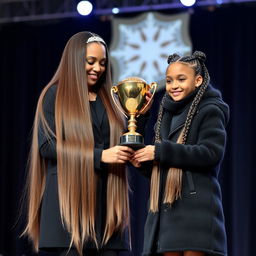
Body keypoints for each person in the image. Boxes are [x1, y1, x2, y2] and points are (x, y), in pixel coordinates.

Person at [23, 31, 137, 256]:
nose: (98, 68)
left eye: (103, 63)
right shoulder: (53, 95)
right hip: (68, 211)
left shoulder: (111, 101)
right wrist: (100, 156)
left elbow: (123, 140)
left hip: (107, 213)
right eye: (91, 61)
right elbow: (47, 146)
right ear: (75, 61)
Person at [132, 51, 229, 256]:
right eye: (169, 80)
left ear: (198, 80)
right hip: (166, 213)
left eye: (181, 79)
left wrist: (159, 151)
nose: (174, 85)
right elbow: (160, 169)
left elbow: (210, 153)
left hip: (196, 214)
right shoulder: (165, 114)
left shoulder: (210, 109)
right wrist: (140, 122)